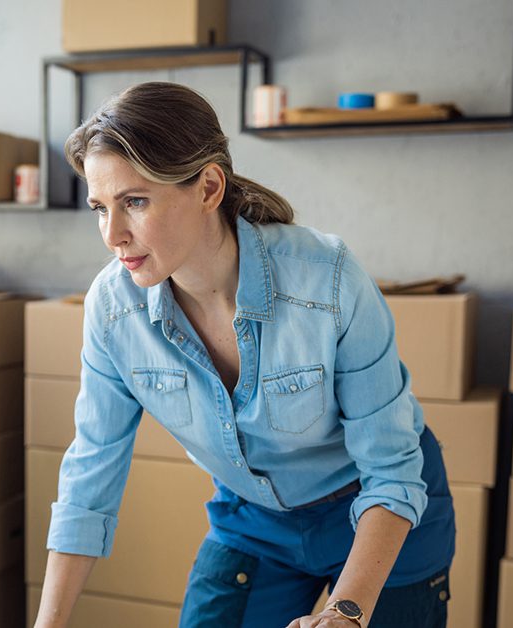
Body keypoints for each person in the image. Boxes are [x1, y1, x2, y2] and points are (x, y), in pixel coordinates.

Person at [33, 82, 455, 628]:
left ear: (208, 186)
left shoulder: (326, 281)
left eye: (135, 201)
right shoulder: (114, 312)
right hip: (255, 519)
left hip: (384, 513)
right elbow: (90, 477)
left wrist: (345, 612)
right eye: (99, 207)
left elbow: (393, 470)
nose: (113, 234)